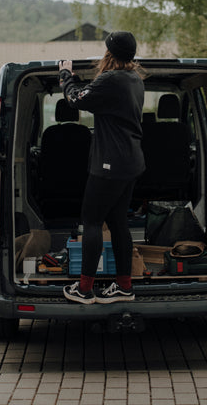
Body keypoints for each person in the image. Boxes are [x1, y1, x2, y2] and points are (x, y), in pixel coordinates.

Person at [60, 31, 145, 304]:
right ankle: (124, 287)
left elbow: (75, 100)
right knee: (119, 222)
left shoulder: (111, 79)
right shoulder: (134, 80)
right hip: (130, 162)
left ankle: (84, 290)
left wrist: (66, 76)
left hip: (109, 164)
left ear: (110, 54)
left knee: (92, 221)